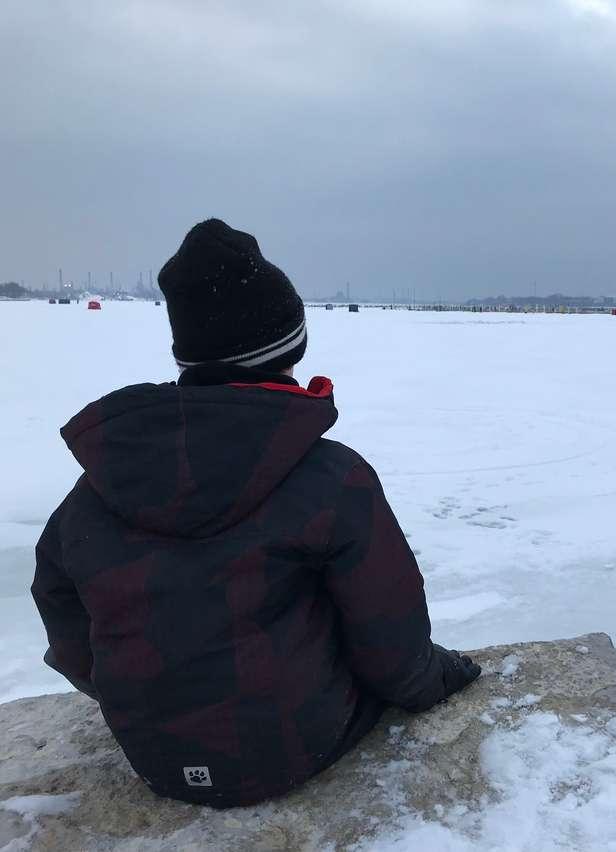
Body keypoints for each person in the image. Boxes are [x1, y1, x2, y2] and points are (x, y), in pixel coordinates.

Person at [31, 218, 480, 808]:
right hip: (297, 749)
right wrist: (446, 677)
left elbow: (64, 617)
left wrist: (143, 701)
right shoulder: (331, 478)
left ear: (188, 356)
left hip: (155, 759)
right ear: (291, 347)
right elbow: (389, 646)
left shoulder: (98, 488)